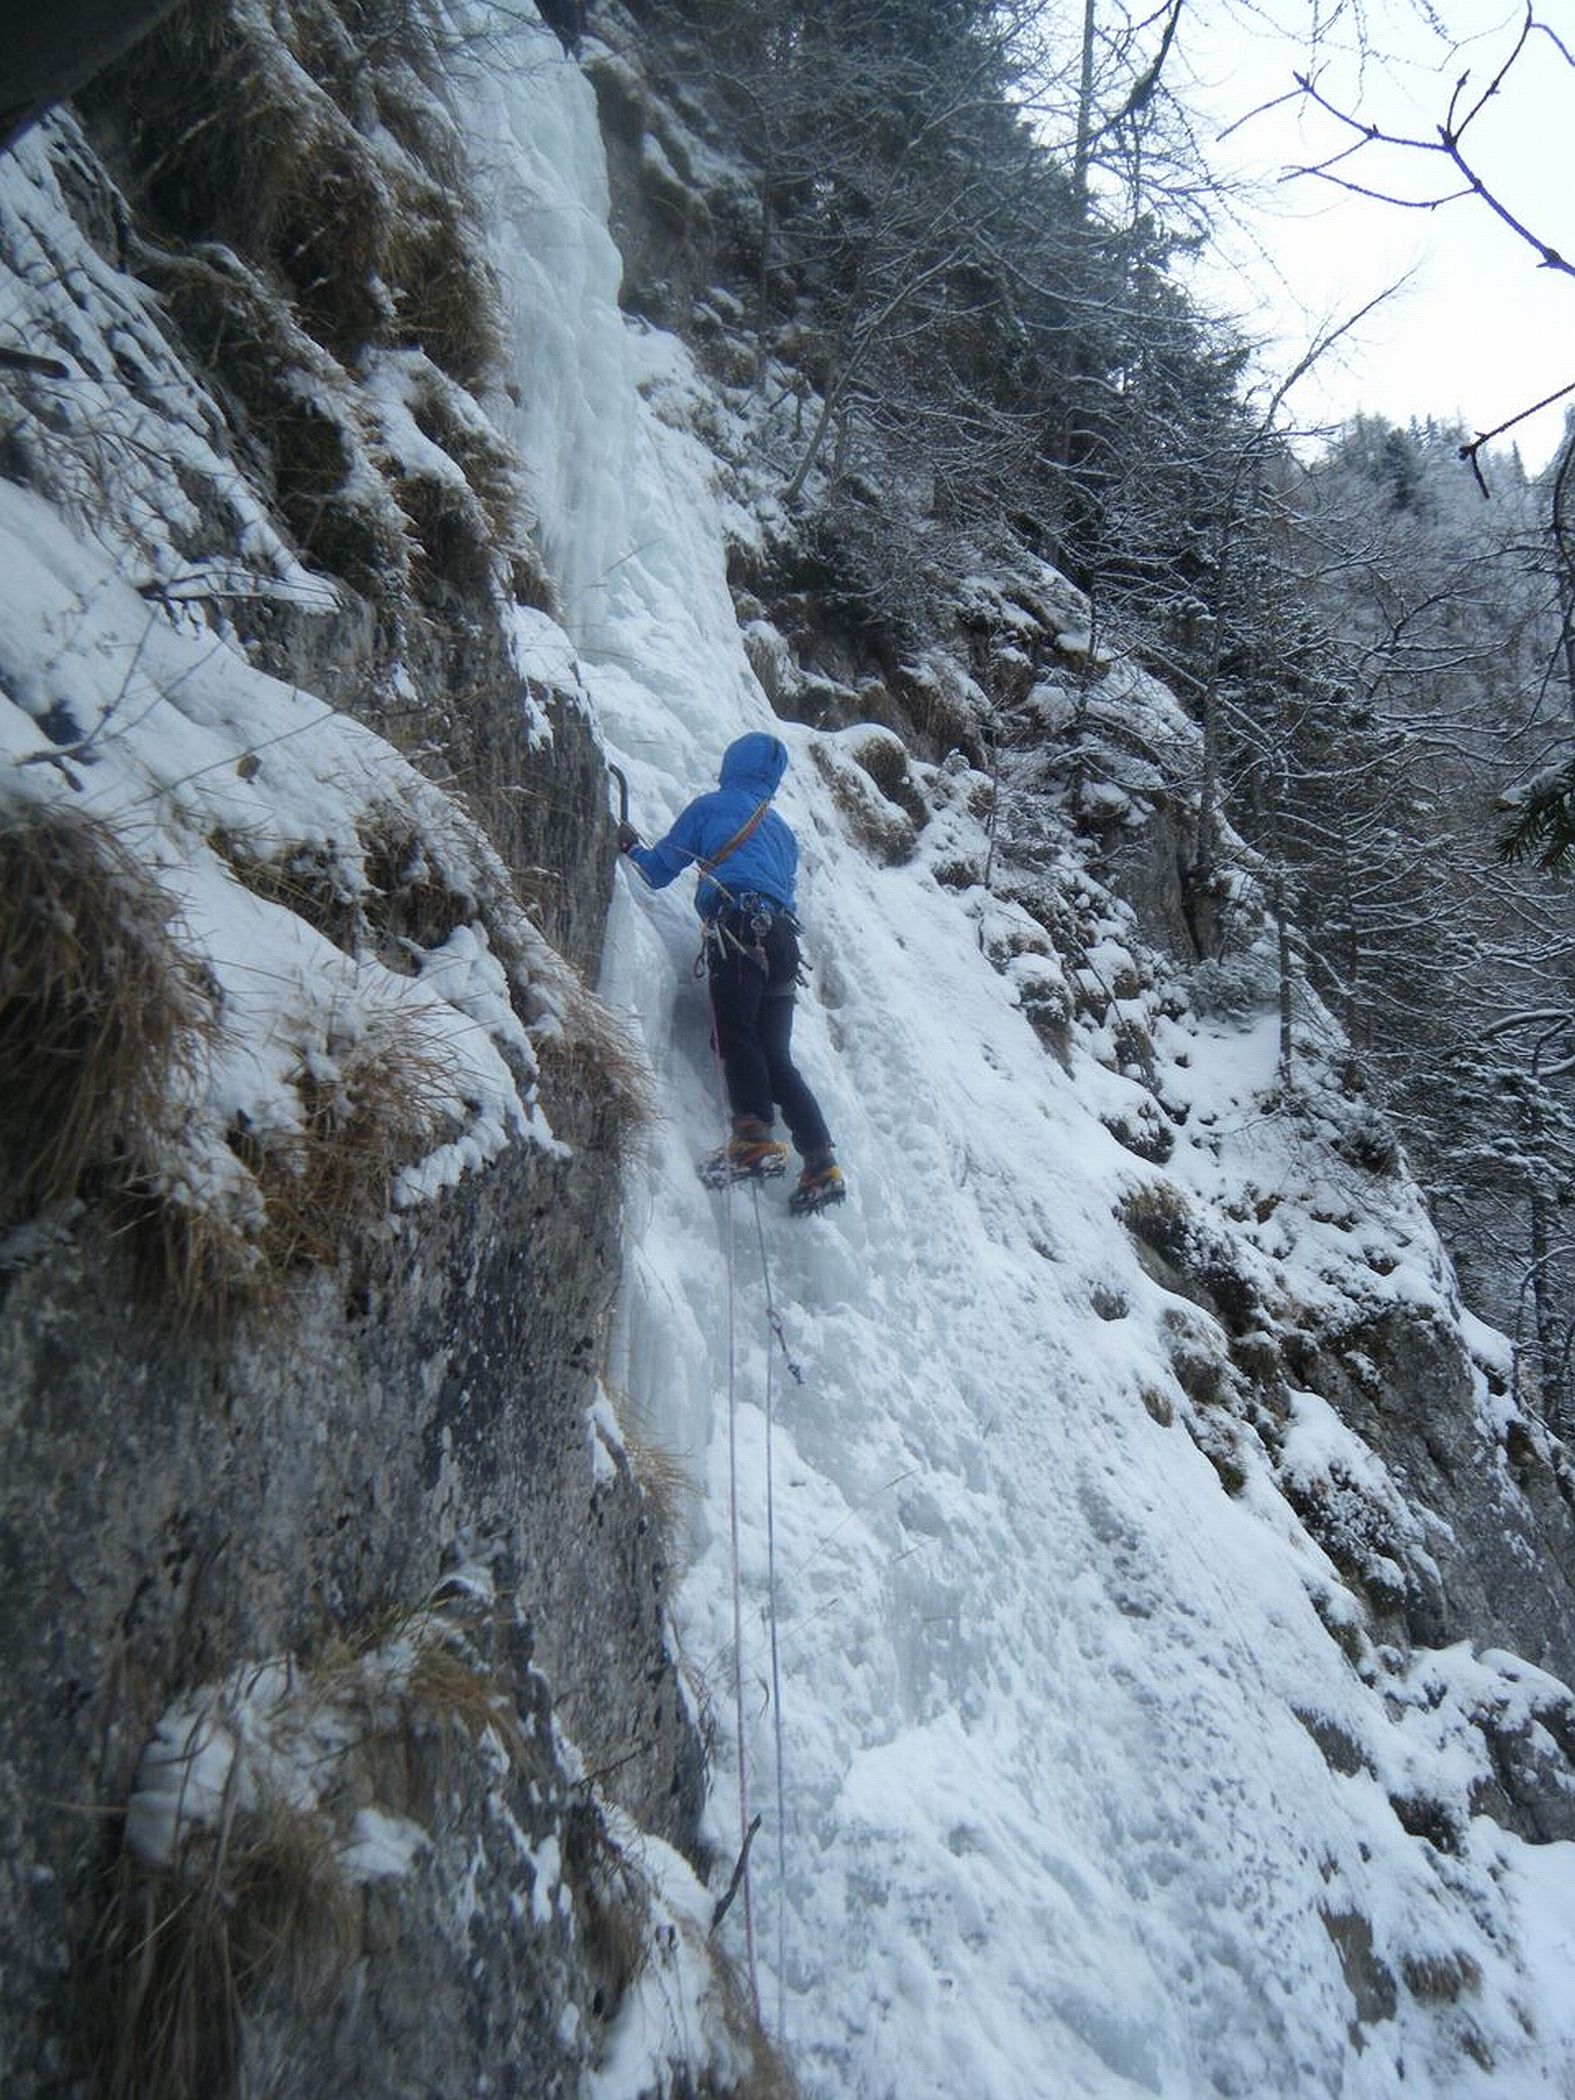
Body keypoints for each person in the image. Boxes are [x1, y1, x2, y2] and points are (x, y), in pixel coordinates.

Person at [618, 731, 845, 1215]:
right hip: (782, 941)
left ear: (731, 765)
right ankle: (821, 1163)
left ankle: (753, 1136)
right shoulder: (782, 831)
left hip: (737, 926)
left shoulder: (713, 807)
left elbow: (658, 872)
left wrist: (631, 848)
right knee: (776, 1056)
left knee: (736, 1034)